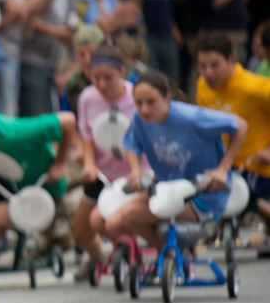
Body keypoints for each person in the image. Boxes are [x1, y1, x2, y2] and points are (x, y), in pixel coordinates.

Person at [105, 70, 247, 248]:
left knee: (131, 215)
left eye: (151, 102)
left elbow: (240, 126)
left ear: (167, 97)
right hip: (167, 190)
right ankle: (171, 258)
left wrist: (223, 169)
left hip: (203, 194)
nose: (144, 109)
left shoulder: (190, 117)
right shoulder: (139, 118)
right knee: (112, 224)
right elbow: (132, 144)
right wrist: (136, 171)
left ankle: (174, 258)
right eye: (139, 103)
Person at [0, 93, 75, 244]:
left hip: (43, 191)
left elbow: (68, 121)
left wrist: (60, 162)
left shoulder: (17, 133)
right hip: (8, 185)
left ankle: (4, 243)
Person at [73, 44, 143, 268]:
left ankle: (134, 257)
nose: (102, 84)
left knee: (107, 221)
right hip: (103, 174)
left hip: (136, 174)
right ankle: (97, 256)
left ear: (122, 72)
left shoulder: (139, 96)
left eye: (108, 78)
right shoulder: (87, 97)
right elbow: (87, 135)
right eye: (96, 78)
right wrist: (89, 164)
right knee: (81, 232)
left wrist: (139, 171)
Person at [195, 32, 270, 225]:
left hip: (255, 167)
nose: (208, 73)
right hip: (223, 165)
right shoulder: (202, 86)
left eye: (214, 65)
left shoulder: (255, 87)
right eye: (202, 66)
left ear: (229, 60)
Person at [20, 0, 77, 117]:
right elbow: (27, 13)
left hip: (54, 63)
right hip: (33, 59)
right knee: (37, 119)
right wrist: (56, 32)